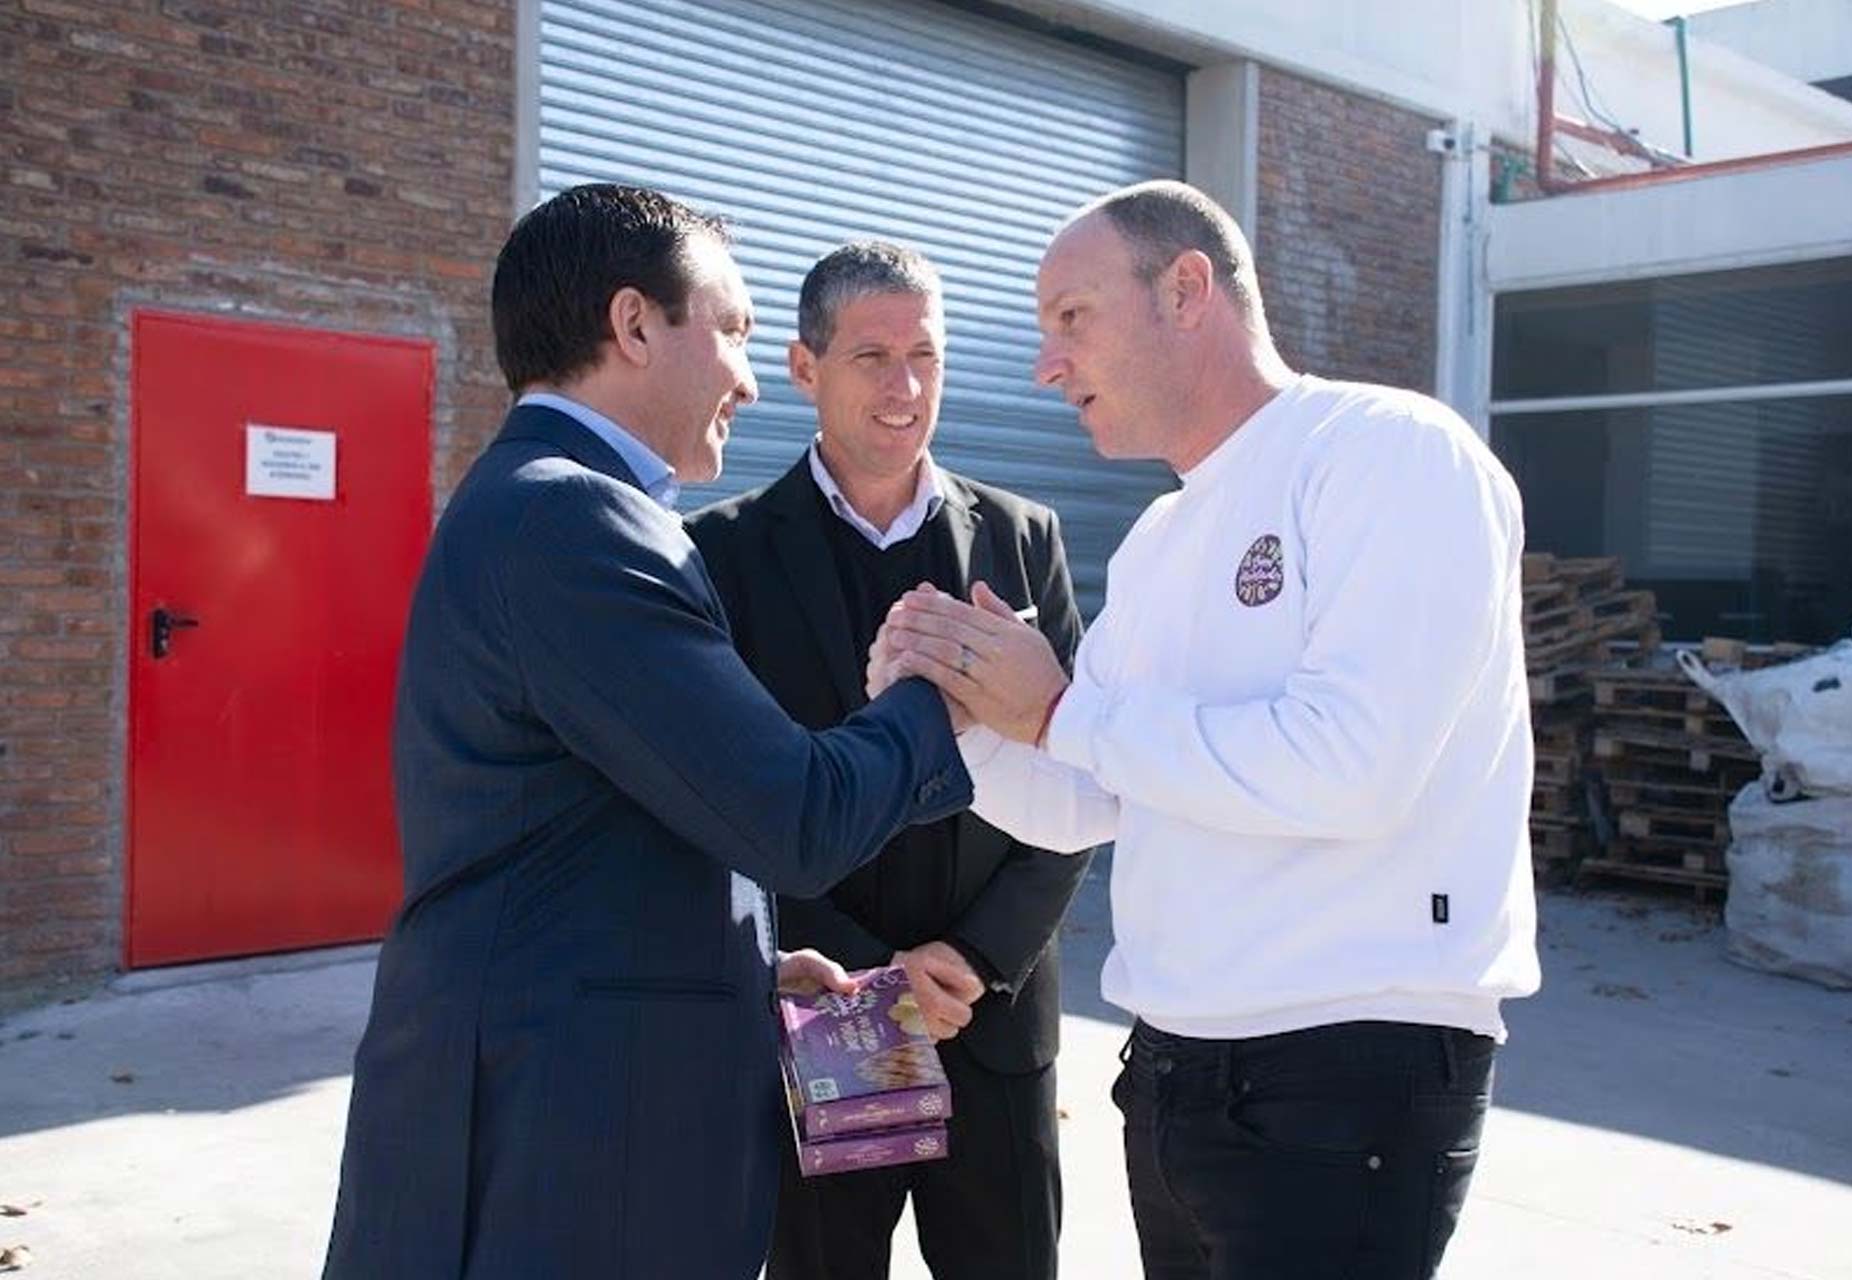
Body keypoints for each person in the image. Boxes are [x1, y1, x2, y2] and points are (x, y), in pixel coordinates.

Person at [870, 180, 1541, 1280]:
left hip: (1347, 1071)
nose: (1047, 364)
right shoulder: (1163, 531)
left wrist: (1055, 708)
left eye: (1071, 318)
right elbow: (1089, 791)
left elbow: (1353, 769)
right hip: (1179, 1072)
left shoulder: (1389, 453)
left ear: (1187, 289)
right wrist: (960, 715)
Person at [321, 185, 972, 1280]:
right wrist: (940, 684)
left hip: (559, 1114)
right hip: (560, 1150)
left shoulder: (544, 502)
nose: (751, 377)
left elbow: (580, 827)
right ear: (633, 325)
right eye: (732, 330)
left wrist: (743, 961)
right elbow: (794, 815)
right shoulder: (575, 517)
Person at [687, 241, 1091, 1280]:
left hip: (989, 1017)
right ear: (804, 366)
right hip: (828, 1011)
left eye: (926, 353)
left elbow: (1081, 773)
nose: (906, 386)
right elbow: (716, 796)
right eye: (872, 354)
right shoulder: (723, 555)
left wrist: (979, 956)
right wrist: (872, 978)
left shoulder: (1021, 537)